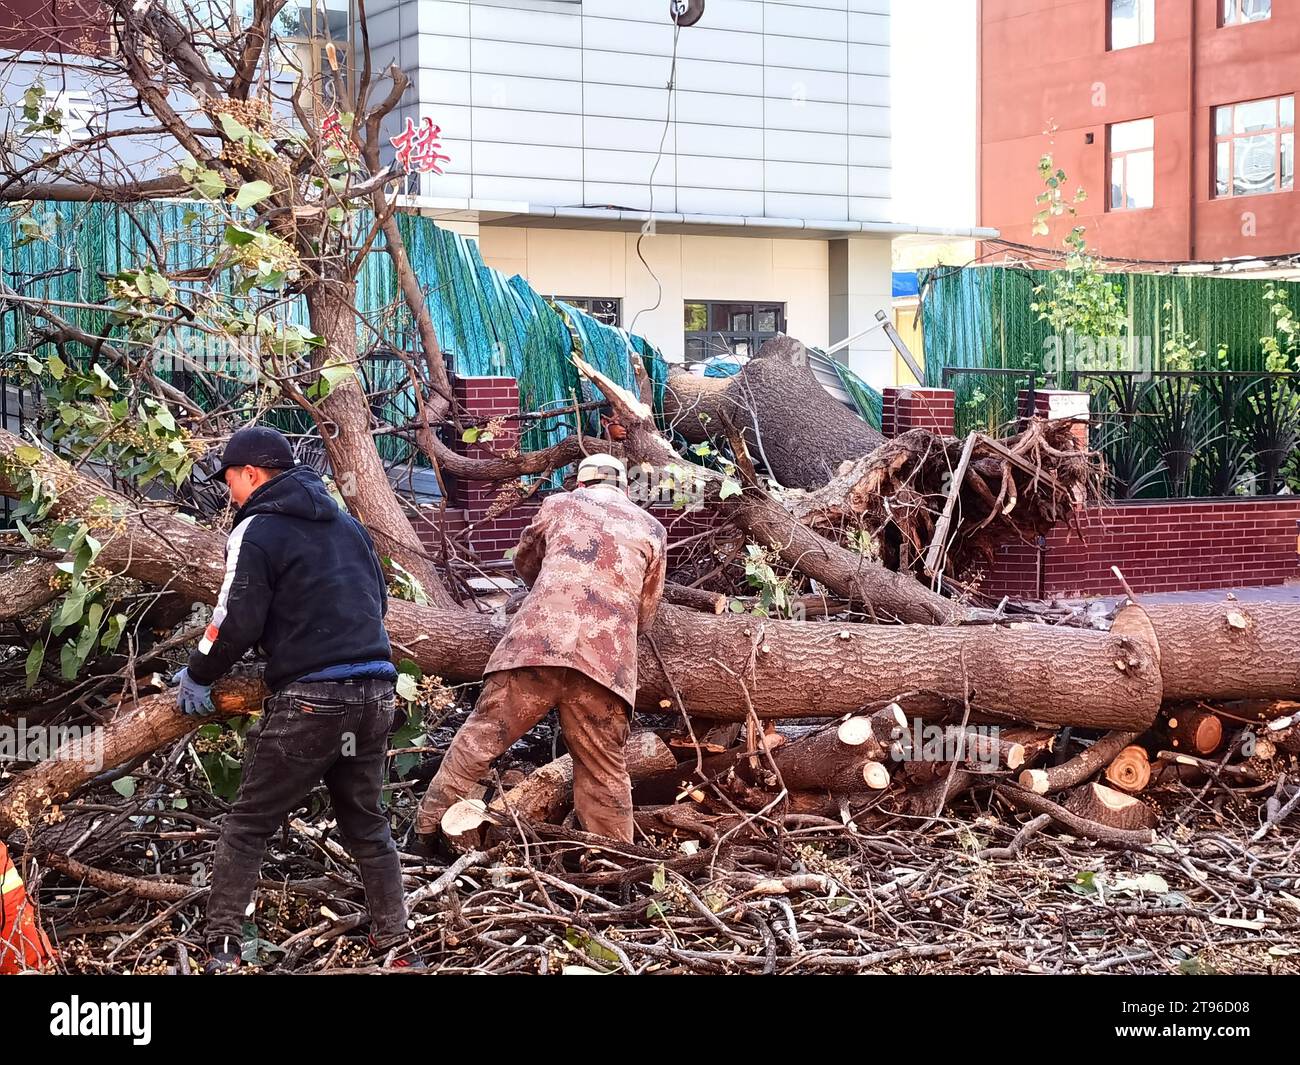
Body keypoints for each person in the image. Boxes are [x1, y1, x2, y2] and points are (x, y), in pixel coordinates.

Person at [172, 425, 418, 972]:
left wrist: (199, 674)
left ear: (252, 475)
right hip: (378, 690)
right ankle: (396, 946)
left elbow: (234, 620)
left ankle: (223, 948)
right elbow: (377, 601)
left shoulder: (257, 528)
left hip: (312, 699)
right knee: (367, 822)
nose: (229, 492)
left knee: (250, 823)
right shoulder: (349, 527)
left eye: (231, 480)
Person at [415, 452, 667, 845]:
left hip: (535, 648)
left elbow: (525, 562)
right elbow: (646, 613)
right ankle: (617, 860)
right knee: (604, 770)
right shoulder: (651, 528)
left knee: (479, 740)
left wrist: (551, 591)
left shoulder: (557, 504)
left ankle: (426, 832)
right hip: (605, 666)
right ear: (624, 487)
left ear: (580, 483)